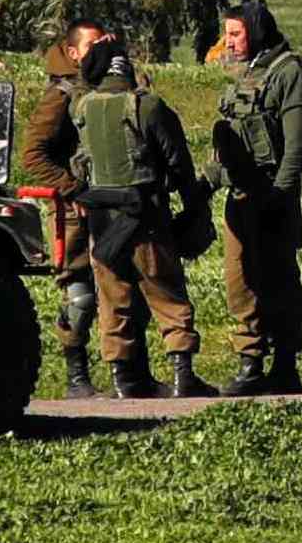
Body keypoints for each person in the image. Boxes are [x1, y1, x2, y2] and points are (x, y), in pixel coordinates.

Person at [23, 21, 208, 401]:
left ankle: (130, 377)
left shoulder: (89, 99)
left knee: (120, 294)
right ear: (73, 52)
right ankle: (82, 377)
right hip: (88, 209)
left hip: (104, 210)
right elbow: (33, 154)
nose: (101, 50)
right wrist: (74, 188)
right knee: (89, 296)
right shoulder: (67, 96)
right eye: (93, 45)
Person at [206, 0, 302, 399]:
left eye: (235, 33)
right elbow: (232, 141)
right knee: (241, 282)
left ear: (255, 31)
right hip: (240, 197)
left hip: (273, 195)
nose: (229, 41)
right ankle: (250, 362)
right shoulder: (248, 73)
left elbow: (298, 147)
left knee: (279, 281)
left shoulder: (291, 73)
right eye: (227, 34)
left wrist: (278, 196)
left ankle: (284, 364)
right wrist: (203, 185)